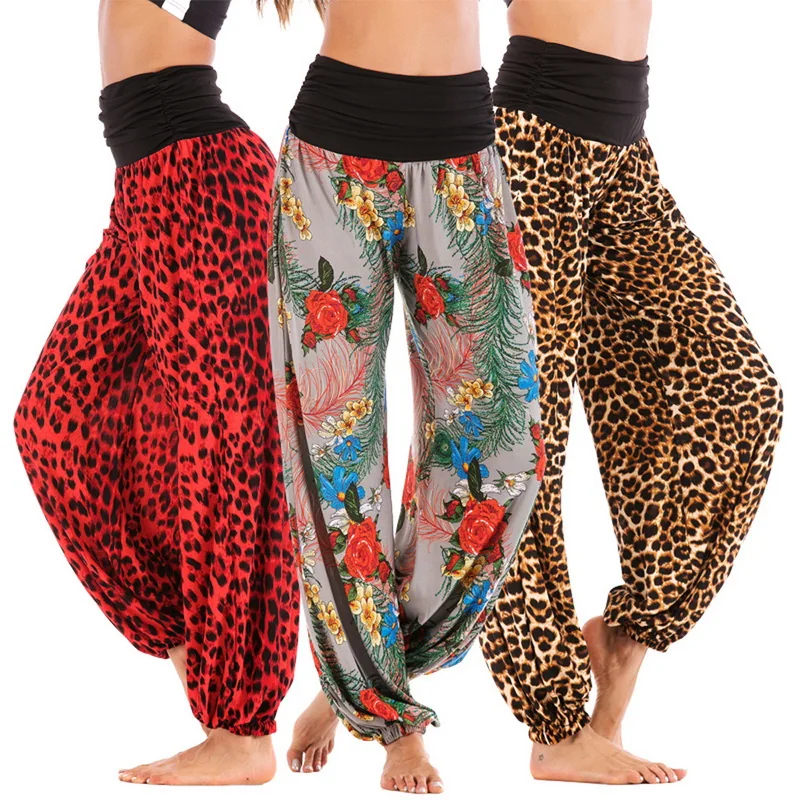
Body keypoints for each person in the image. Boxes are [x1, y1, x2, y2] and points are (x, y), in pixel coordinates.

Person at [478, 0, 784, 785]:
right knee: (520, 441)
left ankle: (625, 640)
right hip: (531, 146)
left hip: (623, 151)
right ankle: (553, 727)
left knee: (741, 394)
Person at [13, 0, 301, 786]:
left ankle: (240, 728)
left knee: (223, 450)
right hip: (146, 191)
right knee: (55, 416)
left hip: (203, 183)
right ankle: (197, 652)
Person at [268, 0, 545, 792]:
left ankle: (363, 672)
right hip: (331, 163)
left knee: (506, 448)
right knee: (334, 457)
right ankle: (392, 720)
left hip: (463, 155)